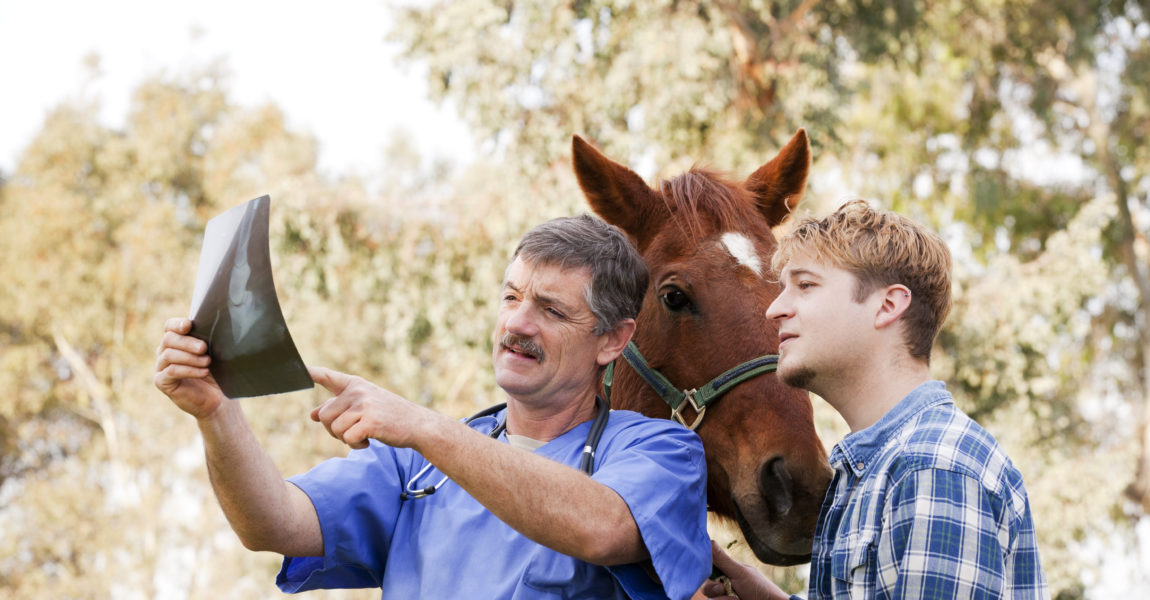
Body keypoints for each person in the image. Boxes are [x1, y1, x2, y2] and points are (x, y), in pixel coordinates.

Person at [155, 215, 711, 599]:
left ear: (613, 339)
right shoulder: (416, 469)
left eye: (550, 310)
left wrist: (424, 425)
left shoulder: (660, 451)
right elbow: (271, 521)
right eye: (511, 297)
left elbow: (602, 528)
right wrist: (215, 413)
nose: (517, 324)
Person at [699, 200, 1048, 599]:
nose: (774, 309)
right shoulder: (871, 472)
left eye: (805, 285)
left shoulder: (932, 466)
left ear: (887, 305)